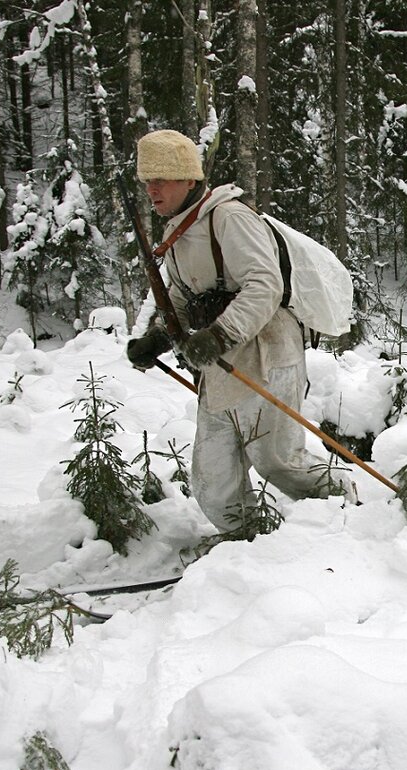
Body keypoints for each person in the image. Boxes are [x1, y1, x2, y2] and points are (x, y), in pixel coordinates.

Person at [125, 129, 337, 530]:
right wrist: (157, 338)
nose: (152, 190)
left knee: (277, 460)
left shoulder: (230, 217)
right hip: (218, 361)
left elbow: (265, 285)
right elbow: (183, 299)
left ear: (189, 179)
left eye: (161, 179)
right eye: (147, 181)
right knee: (213, 478)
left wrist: (218, 336)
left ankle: (345, 507)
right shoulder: (179, 230)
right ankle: (246, 541)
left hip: (266, 350)